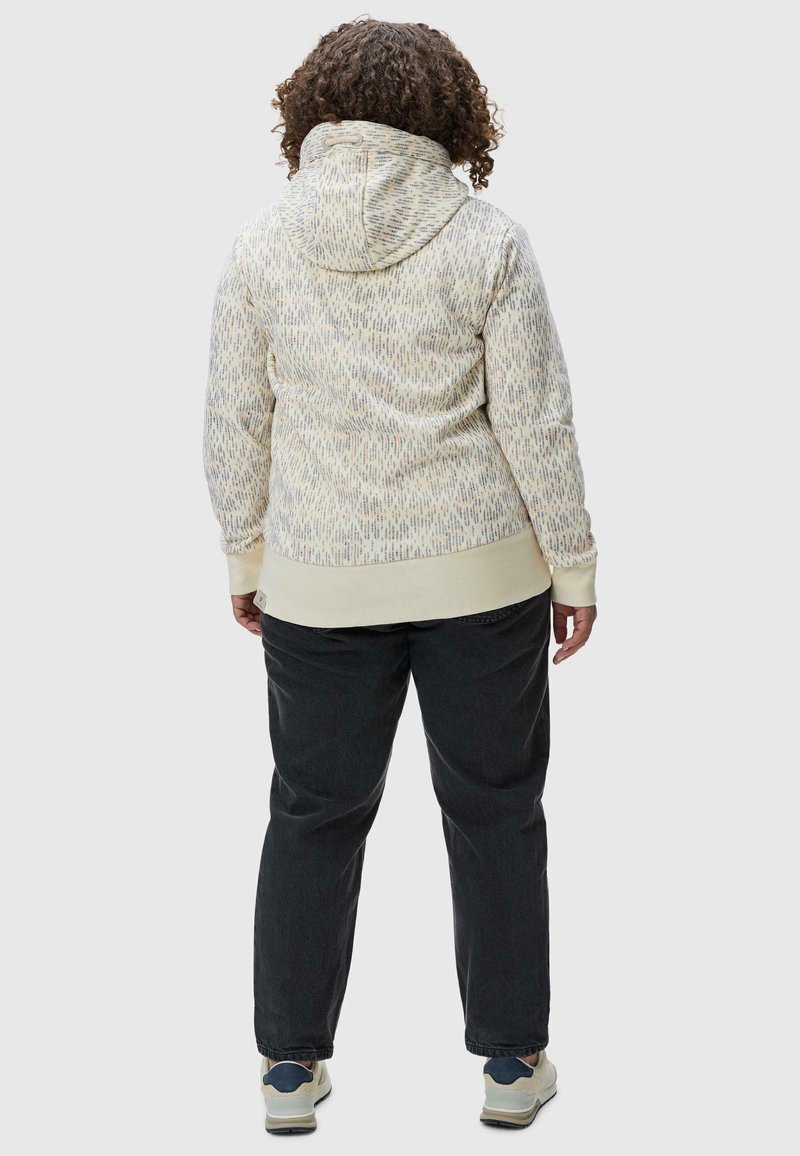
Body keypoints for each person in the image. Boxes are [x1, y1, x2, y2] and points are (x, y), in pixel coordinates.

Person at [203, 17, 599, 1135]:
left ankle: (289, 1069)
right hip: (484, 582)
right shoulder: (488, 241)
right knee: (496, 814)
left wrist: (247, 555)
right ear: (451, 114)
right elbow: (536, 421)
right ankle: (512, 1061)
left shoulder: (261, 246)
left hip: (318, 583)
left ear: (311, 112)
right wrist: (572, 564)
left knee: (311, 815)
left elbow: (234, 421)